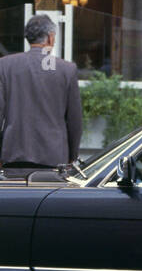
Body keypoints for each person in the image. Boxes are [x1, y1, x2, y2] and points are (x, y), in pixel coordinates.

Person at [0, 15, 83, 172]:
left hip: (14, 156)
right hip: (54, 159)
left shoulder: (5, 66)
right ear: (51, 38)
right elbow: (74, 121)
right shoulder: (66, 69)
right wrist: (72, 156)